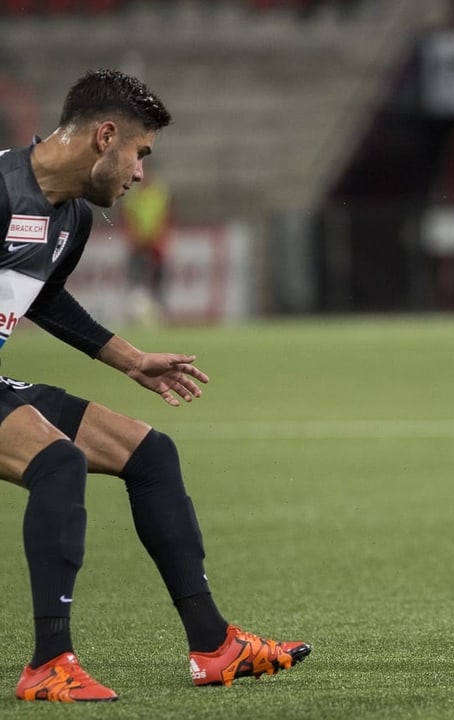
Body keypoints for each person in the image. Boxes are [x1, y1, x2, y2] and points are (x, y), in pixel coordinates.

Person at [0, 69, 310, 702]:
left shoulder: (72, 220)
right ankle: (47, 663)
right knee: (57, 462)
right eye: (140, 154)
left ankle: (215, 647)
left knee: (150, 454)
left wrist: (130, 359)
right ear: (105, 137)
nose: (140, 174)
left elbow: (46, 300)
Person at [121, 170, 172, 324]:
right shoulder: (133, 194)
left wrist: (158, 239)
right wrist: (135, 237)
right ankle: (132, 313)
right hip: (138, 244)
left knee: (158, 279)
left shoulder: (159, 192)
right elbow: (128, 218)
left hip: (156, 244)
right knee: (134, 278)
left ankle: (159, 313)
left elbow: (165, 217)